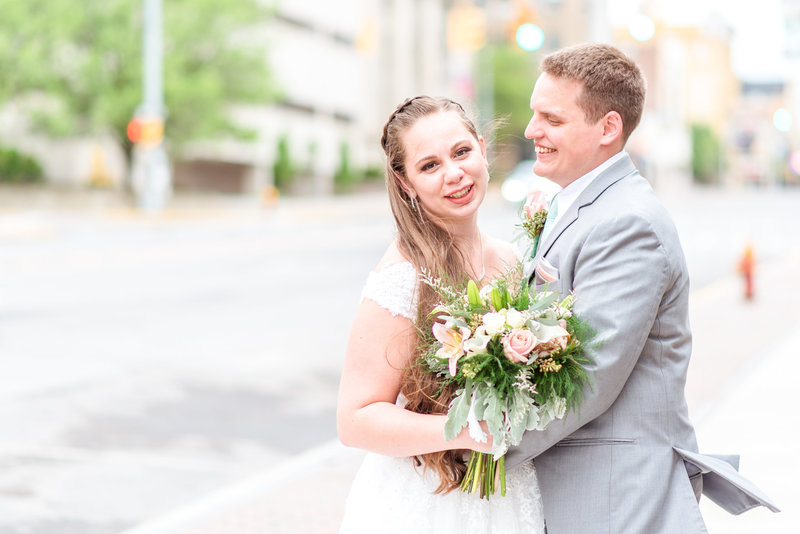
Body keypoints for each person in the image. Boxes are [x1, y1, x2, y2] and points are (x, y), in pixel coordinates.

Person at [507, 42, 777, 532]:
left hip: (616, 500)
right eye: (534, 114)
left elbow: (587, 378)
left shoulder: (627, 223)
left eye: (552, 119)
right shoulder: (578, 204)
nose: (532, 131)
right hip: (579, 492)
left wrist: (480, 448)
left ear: (608, 128)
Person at [336, 96, 546, 533]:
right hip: (428, 503)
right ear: (406, 182)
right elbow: (355, 419)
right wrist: (466, 430)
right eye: (429, 166)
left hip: (509, 495)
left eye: (461, 152)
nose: (454, 174)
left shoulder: (511, 261)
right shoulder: (404, 274)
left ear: (483, 150)